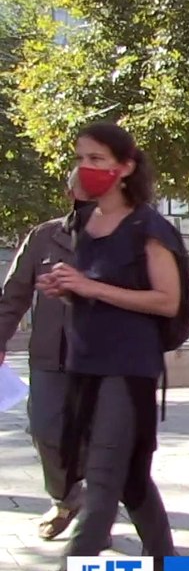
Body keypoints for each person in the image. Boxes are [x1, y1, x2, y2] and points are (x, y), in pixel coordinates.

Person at [10, 122, 181, 571]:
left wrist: (89, 288)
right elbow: (91, 288)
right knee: (129, 476)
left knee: (103, 477)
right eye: (82, 157)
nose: (87, 169)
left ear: (125, 168)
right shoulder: (83, 229)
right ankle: (167, 567)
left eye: (98, 160)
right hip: (84, 364)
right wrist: (66, 288)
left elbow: (167, 300)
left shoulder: (149, 228)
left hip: (127, 369)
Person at [0, 170, 87, 540]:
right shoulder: (43, 236)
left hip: (105, 357)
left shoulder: (123, 237)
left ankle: (96, 515)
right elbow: (14, 294)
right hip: (50, 354)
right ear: (69, 191)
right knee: (44, 428)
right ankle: (65, 498)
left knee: (102, 438)